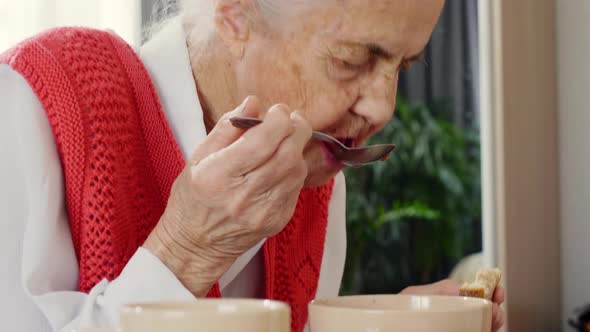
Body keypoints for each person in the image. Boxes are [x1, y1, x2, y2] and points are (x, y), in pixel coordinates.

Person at [0, 0, 504, 331]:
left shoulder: (313, 164)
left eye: (404, 64)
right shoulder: (30, 101)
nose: (383, 109)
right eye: (352, 59)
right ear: (235, 14)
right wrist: (186, 250)